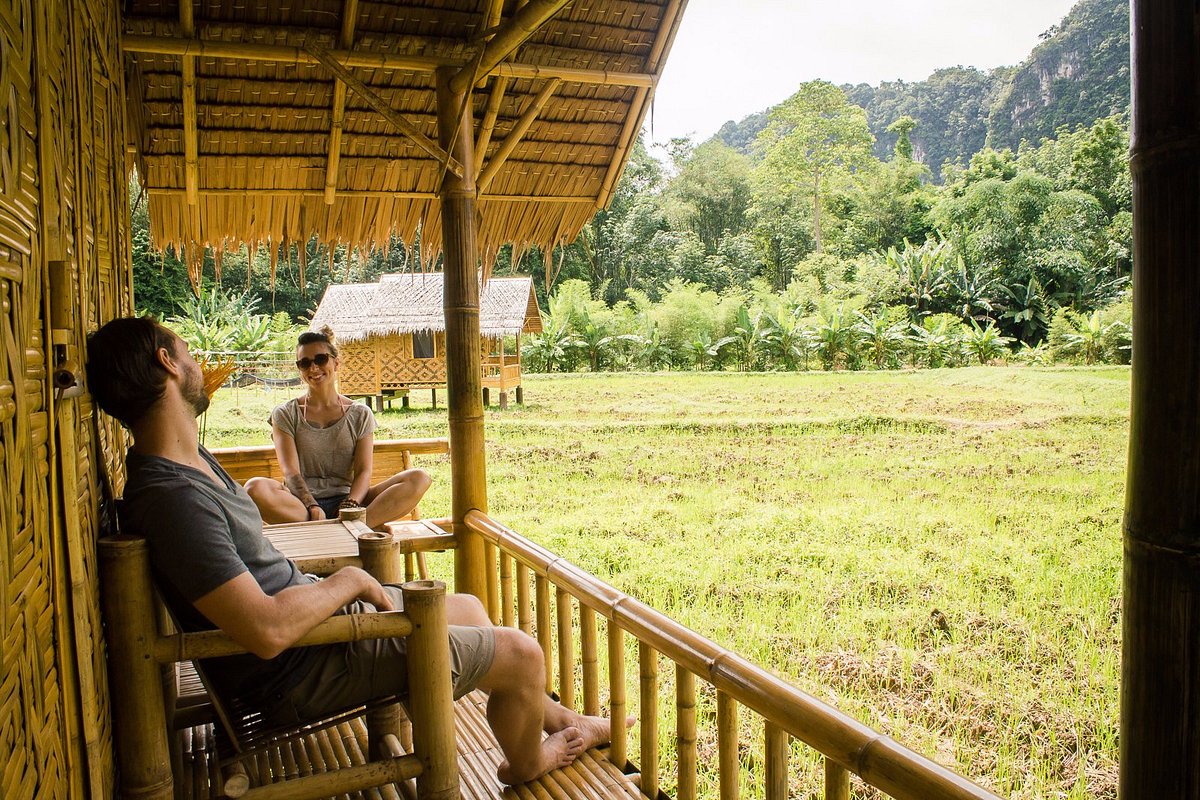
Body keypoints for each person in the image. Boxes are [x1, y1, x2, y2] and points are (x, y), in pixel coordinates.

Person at [86, 316, 623, 784]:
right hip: (302, 669)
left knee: (472, 610)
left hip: (322, 633)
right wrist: (352, 581)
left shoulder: (188, 463)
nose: (197, 362)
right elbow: (265, 630)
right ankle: (526, 762)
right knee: (523, 652)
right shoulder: (173, 497)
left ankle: (553, 718)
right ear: (167, 363)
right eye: (185, 352)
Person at [245, 328, 429, 531]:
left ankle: (349, 525)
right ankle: (349, 528)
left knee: (419, 478)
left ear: (336, 363)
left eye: (320, 359)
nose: (313, 368)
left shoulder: (359, 413)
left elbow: (363, 471)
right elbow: (291, 472)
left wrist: (349, 506)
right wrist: (312, 505)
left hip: (350, 500)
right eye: (304, 363)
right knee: (254, 487)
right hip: (301, 506)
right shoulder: (286, 414)